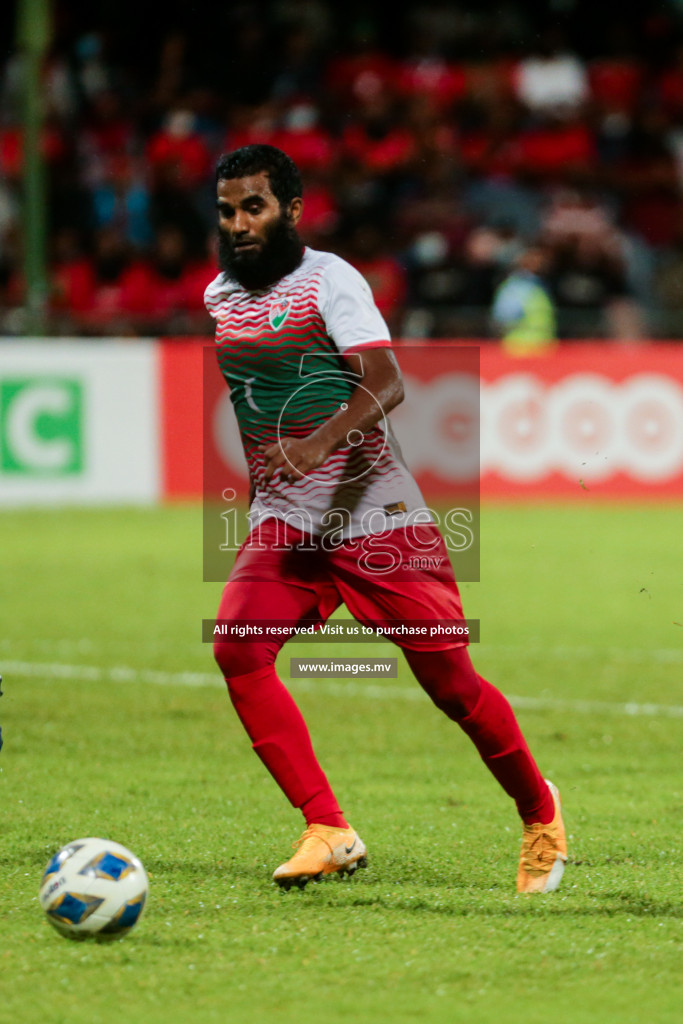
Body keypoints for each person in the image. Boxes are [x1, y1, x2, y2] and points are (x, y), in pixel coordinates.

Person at [206, 144, 567, 893]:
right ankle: (326, 827)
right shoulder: (220, 296)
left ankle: (539, 813)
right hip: (288, 524)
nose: (238, 224)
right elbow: (259, 401)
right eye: (227, 211)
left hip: (376, 519)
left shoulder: (329, 281)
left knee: (451, 687)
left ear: (291, 210)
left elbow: (387, 382)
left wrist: (320, 442)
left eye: (253, 207)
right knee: (239, 649)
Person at [491, 245, 557, 355]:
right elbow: (504, 318)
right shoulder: (516, 287)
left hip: (540, 348)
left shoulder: (536, 285)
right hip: (521, 349)